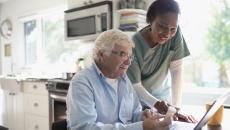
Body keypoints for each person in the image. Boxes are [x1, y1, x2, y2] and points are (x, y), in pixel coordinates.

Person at [66, 29, 173, 130]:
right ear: (102, 54)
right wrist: (141, 127)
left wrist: (142, 116)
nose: (128, 62)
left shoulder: (124, 79)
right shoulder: (82, 82)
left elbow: (131, 115)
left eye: (130, 57)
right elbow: (85, 128)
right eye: (123, 54)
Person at [127, 0, 190, 114]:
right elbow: (135, 86)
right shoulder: (133, 45)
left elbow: (176, 70)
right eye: (162, 26)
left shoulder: (176, 33)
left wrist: (176, 108)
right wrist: (157, 105)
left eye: (172, 29)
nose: (167, 34)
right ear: (150, 21)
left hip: (165, 102)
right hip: (140, 107)